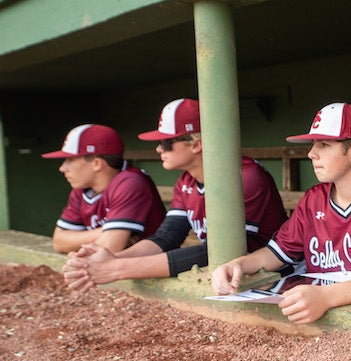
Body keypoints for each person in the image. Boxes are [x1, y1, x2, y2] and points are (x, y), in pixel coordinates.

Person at [211, 102, 351, 324]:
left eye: (324, 145)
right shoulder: (313, 199)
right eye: (313, 144)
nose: (311, 153)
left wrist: (326, 297)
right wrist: (237, 265)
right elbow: (275, 254)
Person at [62, 98, 287, 289]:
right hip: (233, 278)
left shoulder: (244, 176)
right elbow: (167, 237)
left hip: (275, 277)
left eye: (166, 142)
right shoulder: (187, 180)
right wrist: (108, 259)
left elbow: (219, 252)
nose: (159, 149)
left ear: (196, 144)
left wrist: (116, 268)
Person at [43, 123, 165, 254]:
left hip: (154, 267)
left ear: (96, 163)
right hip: (115, 267)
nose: (62, 168)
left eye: (70, 160)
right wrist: (105, 232)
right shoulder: (81, 188)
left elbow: (110, 247)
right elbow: (59, 242)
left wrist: (108, 237)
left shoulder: (130, 182)